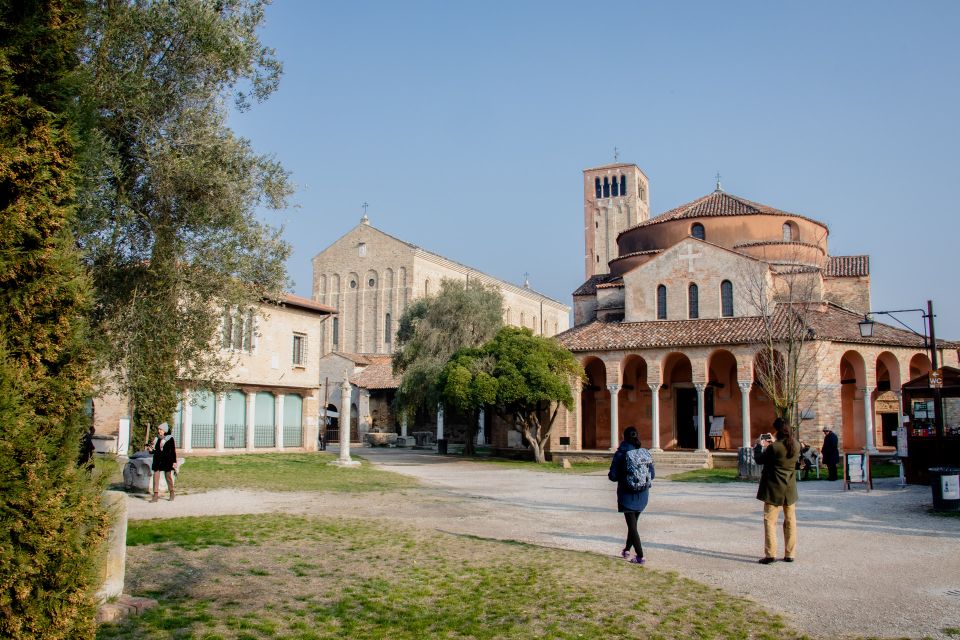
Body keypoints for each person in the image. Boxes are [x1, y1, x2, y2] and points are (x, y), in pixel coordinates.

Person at [753, 417, 798, 564]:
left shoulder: (774, 447)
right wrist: (774, 442)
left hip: (774, 488)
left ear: (777, 431)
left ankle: (770, 554)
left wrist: (759, 446)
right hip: (789, 489)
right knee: (790, 521)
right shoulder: (795, 445)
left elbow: (759, 459)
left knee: (770, 521)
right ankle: (790, 554)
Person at [608, 426, 655, 565]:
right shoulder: (643, 453)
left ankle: (640, 556)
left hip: (626, 494)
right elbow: (652, 474)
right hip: (643, 493)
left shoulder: (621, 453)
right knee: (633, 525)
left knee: (632, 526)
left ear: (624, 437)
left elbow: (613, 476)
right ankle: (627, 549)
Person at [147, 422, 178, 502]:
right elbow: (154, 450)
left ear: (165, 430)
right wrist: (150, 450)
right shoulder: (156, 438)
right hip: (157, 460)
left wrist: (174, 462)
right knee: (156, 477)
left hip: (167, 460)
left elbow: (173, 451)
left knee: (168, 477)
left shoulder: (170, 439)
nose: (159, 431)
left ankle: (172, 492)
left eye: (161, 429)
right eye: (159, 429)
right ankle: (155, 495)